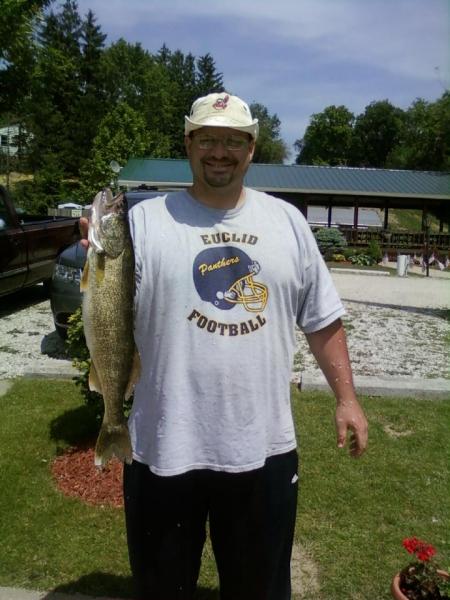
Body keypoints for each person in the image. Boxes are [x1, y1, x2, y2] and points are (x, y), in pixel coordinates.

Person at [80, 92, 368, 600]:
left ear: (251, 148)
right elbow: (108, 306)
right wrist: (96, 253)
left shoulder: (288, 223)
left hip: (263, 450)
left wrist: (347, 398)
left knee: (259, 590)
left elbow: (323, 321)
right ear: (189, 144)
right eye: (208, 139)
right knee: (161, 589)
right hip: (163, 449)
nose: (220, 151)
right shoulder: (142, 223)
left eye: (232, 141)